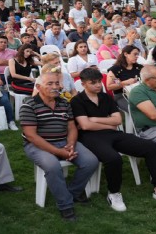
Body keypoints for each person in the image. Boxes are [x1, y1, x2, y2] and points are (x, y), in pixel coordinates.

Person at [72, 68, 156, 211]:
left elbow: (117, 120)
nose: (97, 85)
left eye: (99, 82)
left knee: (152, 147)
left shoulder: (106, 97)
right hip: (90, 137)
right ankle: (114, 193)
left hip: (112, 133)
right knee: (113, 159)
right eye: (93, 83)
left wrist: (94, 119)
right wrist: (105, 122)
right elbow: (85, 125)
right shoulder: (77, 100)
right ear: (83, 84)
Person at [19, 68, 99, 221]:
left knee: (91, 161)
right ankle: (66, 205)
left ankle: (72, 192)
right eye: (49, 84)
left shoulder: (64, 102)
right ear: (38, 87)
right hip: (37, 145)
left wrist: (70, 144)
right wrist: (58, 152)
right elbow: (31, 136)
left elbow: (71, 127)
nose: (55, 87)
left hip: (63, 141)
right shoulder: (29, 105)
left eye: (57, 83)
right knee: (52, 166)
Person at [106, 45, 143, 112]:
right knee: (135, 109)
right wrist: (125, 82)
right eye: (135, 54)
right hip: (122, 95)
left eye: (137, 54)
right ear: (126, 54)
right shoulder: (116, 69)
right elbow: (109, 86)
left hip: (139, 93)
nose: (137, 56)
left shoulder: (139, 67)